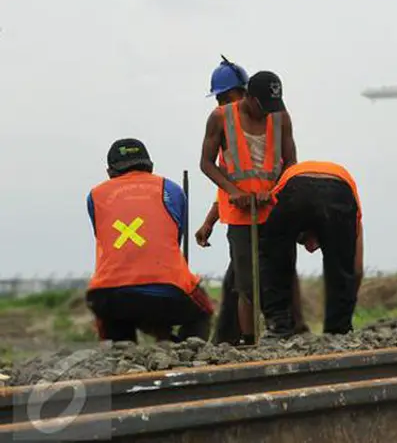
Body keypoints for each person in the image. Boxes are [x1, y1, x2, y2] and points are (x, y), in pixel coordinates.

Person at [195, 58, 308, 344]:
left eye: (223, 96)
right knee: (245, 283)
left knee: (279, 273)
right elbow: (209, 166)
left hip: (273, 210)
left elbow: (290, 163)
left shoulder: (280, 116)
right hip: (239, 213)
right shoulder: (222, 118)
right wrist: (233, 194)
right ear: (249, 98)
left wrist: (277, 191)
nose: (220, 103)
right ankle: (247, 341)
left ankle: (288, 329)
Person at [86, 139, 215, 343]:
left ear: (110, 172)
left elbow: (104, 236)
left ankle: (121, 357)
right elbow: (172, 240)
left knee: (115, 316)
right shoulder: (172, 190)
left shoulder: (95, 195)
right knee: (203, 310)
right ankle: (187, 354)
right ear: (151, 166)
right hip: (167, 288)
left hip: (106, 294)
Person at [261, 161, 364, 336]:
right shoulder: (350, 208)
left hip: (297, 186)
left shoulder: (283, 193)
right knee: (341, 265)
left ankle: (278, 325)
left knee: (274, 259)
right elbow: (355, 268)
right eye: (303, 241)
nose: (310, 249)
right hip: (338, 189)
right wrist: (347, 299)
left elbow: (270, 255)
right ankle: (339, 331)